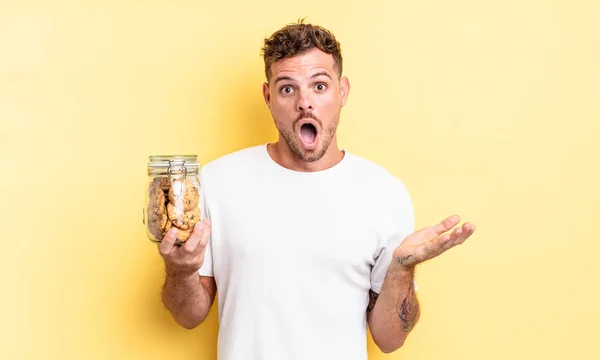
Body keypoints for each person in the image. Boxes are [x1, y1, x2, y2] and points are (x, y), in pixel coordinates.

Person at [157, 20, 476, 360]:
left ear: (343, 91)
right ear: (268, 97)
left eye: (319, 86)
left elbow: (389, 340)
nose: (305, 103)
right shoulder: (218, 180)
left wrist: (401, 267)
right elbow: (187, 316)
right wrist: (181, 269)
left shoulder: (385, 193)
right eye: (288, 89)